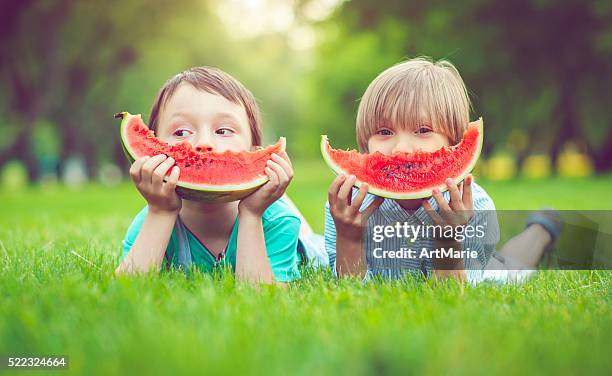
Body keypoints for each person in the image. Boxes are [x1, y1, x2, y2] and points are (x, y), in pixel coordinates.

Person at [324, 57, 561, 283]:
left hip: (477, 274)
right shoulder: (346, 208)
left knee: (510, 270)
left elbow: (451, 293)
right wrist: (348, 238)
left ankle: (541, 230)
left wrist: (449, 241)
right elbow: (351, 288)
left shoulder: (474, 207)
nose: (401, 149)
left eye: (423, 129)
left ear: (454, 142)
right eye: (384, 132)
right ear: (366, 143)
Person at [115, 67, 301, 284]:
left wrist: (252, 214)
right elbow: (127, 289)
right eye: (181, 132)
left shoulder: (278, 221)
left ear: (254, 149)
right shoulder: (151, 218)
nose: (204, 143)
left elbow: (262, 298)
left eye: (223, 131)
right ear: (156, 146)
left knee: (309, 240)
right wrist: (161, 213)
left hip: (296, 236)